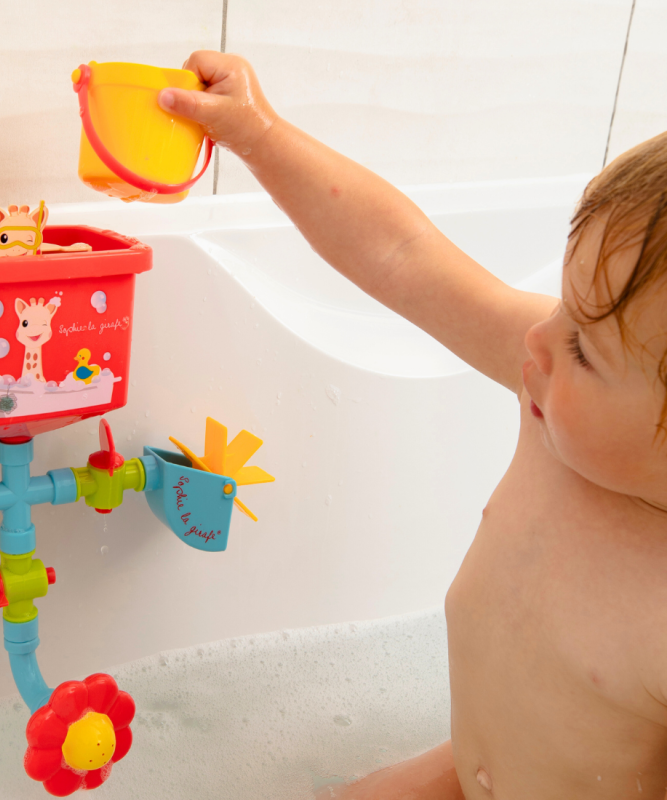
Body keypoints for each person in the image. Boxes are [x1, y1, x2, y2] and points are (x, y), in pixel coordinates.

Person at [158, 51, 667, 798]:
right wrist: (260, 135)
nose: (536, 338)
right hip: (470, 768)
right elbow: (403, 256)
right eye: (563, 305)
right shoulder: (555, 403)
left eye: (584, 348)